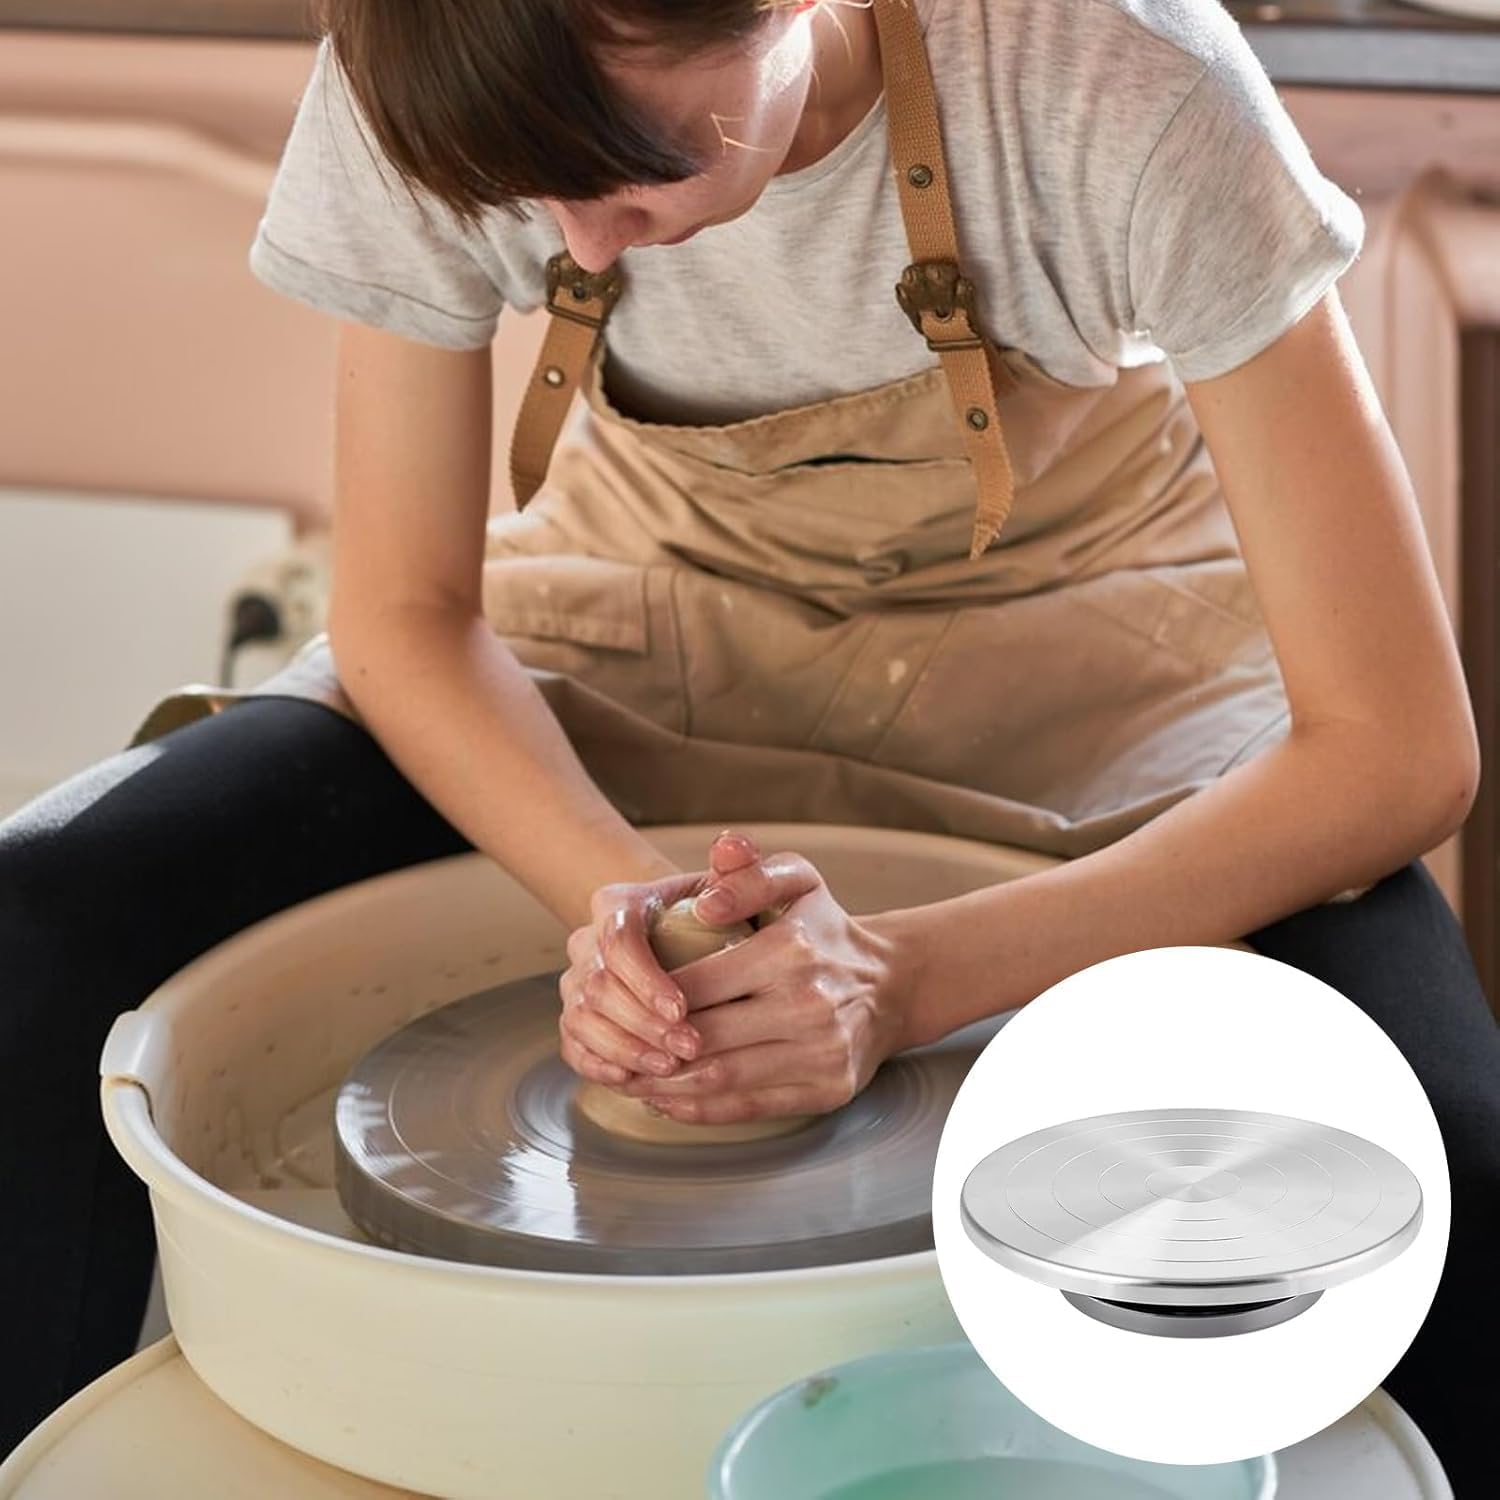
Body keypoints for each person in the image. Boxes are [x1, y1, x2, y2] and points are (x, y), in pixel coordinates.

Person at [2, 0, 1494, 1490]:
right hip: (632, 613)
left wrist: (903, 980)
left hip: (1101, 660)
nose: (578, 244)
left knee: (1445, 1158)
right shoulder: (427, 55)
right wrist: (634, 922)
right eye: (529, 197)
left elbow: (1396, 750)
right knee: (44, 913)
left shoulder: (1126, 81)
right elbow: (405, 615)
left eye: (625, 169)